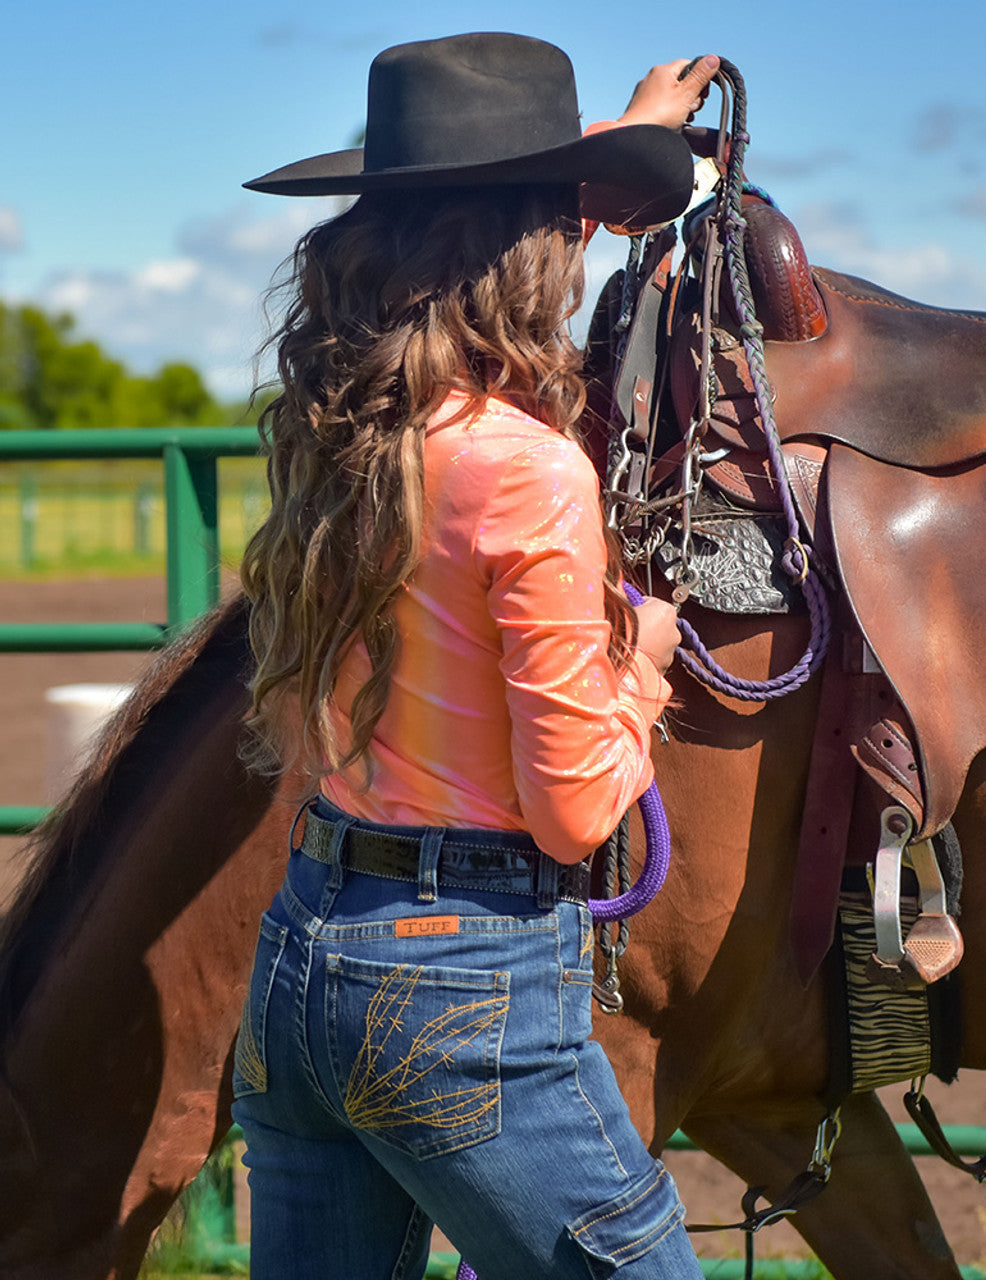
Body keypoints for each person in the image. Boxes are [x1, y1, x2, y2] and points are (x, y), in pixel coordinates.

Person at [234, 32, 718, 1280]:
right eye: (564, 226)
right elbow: (569, 816)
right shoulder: (529, 466)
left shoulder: (338, 432)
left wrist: (621, 143)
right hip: (462, 977)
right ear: (530, 246)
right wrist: (646, 656)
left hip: (304, 953)